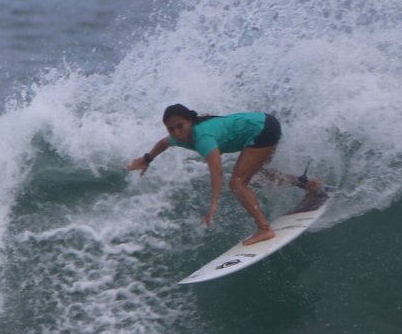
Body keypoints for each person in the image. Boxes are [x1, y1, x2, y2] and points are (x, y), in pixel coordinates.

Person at [126, 104, 321, 245]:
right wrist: (147, 159)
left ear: (190, 122)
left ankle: (264, 229)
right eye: (171, 128)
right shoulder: (181, 137)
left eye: (180, 126)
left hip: (262, 130)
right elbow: (163, 143)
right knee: (258, 175)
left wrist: (214, 203)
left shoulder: (203, 138)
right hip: (264, 122)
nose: (176, 132)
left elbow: (216, 170)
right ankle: (309, 184)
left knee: (237, 184)